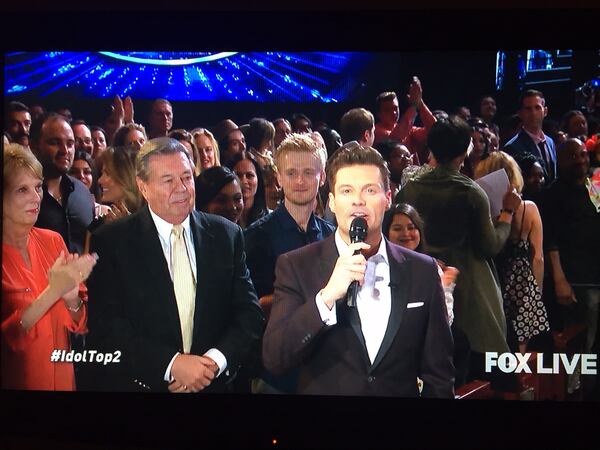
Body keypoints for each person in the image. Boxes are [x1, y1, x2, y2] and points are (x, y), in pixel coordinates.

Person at [262, 142, 454, 397]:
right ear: (331, 202)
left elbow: (439, 375)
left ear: (388, 198)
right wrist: (327, 297)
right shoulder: (296, 265)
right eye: (346, 191)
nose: (358, 201)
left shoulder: (422, 270)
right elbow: (275, 358)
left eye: (370, 190)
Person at [85, 137, 265, 392]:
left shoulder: (227, 235)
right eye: (168, 180)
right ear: (143, 187)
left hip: (214, 387)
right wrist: (171, 365)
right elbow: (107, 328)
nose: (181, 188)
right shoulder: (112, 241)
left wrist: (214, 362)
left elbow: (249, 315)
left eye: (186, 177)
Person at [397, 116, 521, 387]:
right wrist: (508, 213)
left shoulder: (409, 190)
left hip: (424, 286)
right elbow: (490, 245)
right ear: (466, 149)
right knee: (486, 378)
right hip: (472, 294)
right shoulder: (471, 192)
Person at [2, 144, 97, 390]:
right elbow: (9, 339)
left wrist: (72, 299)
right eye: (22, 190)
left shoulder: (52, 241)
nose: (36, 198)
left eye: (37, 187)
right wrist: (53, 291)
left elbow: (81, 322)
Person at [539, 138, 599, 398]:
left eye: (584, 155)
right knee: (580, 346)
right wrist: (560, 279)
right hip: (576, 281)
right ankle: (575, 393)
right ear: (560, 160)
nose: (581, 161)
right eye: (573, 156)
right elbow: (550, 241)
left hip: (597, 276)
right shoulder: (552, 194)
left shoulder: (594, 186)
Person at [475, 152, 549, 353]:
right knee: (522, 351)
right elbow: (538, 257)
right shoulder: (529, 209)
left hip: (494, 282)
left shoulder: (483, 213)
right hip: (523, 285)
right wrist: (537, 293)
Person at [382, 203, 458, 325]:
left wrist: (445, 287)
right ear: (386, 232)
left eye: (411, 228)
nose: (406, 234)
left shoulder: (431, 268)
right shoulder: (380, 267)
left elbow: (444, 322)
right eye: (397, 229)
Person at [30, 113, 94, 255]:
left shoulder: (82, 192)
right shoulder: (21, 195)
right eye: (54, 142)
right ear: (33, 145)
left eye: (70, 144)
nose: (65, 151)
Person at [373, 77, 437, 165]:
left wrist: (420, 103)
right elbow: (394, 140)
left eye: (395, 108)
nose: (394, 112)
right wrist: (414, 106)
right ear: (378, 114)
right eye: (387, 110)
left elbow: (435, 130)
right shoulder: (375, 131)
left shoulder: (408, 129)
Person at [504, 89, 557, 185]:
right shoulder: (512, 147)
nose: (533, 113)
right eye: (528, 109)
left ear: (545, 111)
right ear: (520, 113)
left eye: (537, 108)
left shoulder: (550, 142)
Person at [226, 152, 268, 229]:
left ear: (258, 179)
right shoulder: (222, 219)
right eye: (238, 175)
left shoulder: (269, 219)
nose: (244, 181)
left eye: (249, 175)